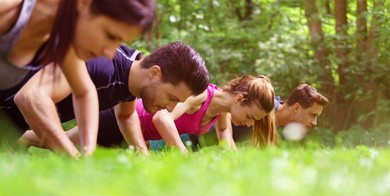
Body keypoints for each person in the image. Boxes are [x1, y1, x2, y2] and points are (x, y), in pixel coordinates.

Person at [0, 0, 155, 156]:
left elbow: (85, 92)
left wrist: (87, 153)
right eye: (110, 35)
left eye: (119, 42)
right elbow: (30, 97)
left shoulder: (63, 38)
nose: (110, 53)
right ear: (83, 3)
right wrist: (71, 155)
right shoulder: (8, 10)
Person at [18, 42, 209, 154]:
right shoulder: (102, 64)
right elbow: (33, 97)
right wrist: (73, 156)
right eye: (171, 97)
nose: (170, 108)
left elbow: (126, 116)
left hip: (13, 125)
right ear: (154, 73)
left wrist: (142, 153)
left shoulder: (131, 77)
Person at [61, 75, 277, 154]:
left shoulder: (223, 112)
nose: (249, 125)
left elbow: (225, 138)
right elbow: (161, 118)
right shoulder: (201, 95)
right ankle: (26, 130)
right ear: (239, 99)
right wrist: (182, 152)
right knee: (57, 143)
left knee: (70, 150)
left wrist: (236, 167)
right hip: (123, 119)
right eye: (250, 117)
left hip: (135, 136)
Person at [231, 83, 329, 142]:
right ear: (296, 108)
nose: (314, 122)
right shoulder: (261, 108)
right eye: (313, 115)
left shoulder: (275, 123)